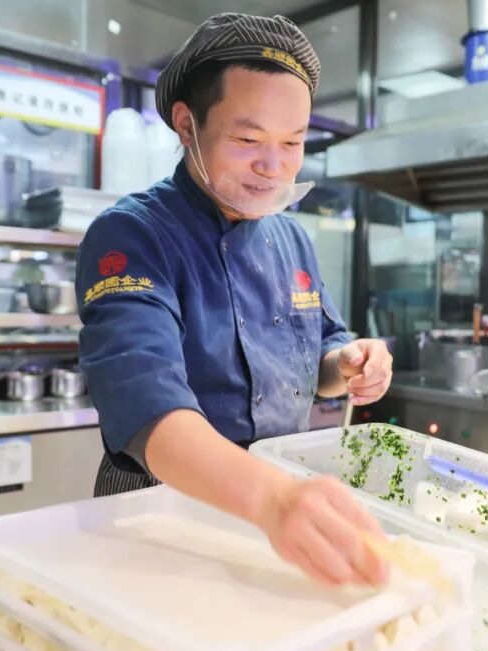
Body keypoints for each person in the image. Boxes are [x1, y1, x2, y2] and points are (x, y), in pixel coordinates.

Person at [77, 14, 393, 587]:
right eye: (248, 140)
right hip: (159, 515)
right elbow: (145, 405)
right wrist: (272, 499)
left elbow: (321, 358)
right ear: (187, 124)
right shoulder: (132, 235)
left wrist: (348, 362)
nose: (274, 167)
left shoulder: (291, 237)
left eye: (292, 143)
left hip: (277, 513)